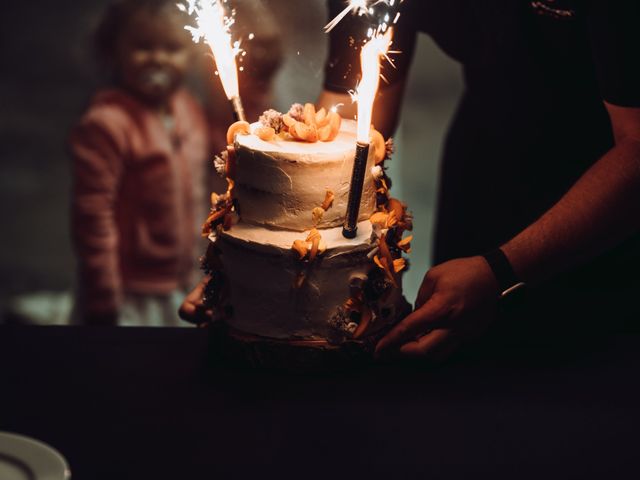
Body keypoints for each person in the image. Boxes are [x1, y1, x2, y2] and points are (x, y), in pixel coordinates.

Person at [318, 0, 640, 360]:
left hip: (606, 214)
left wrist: (502, 270)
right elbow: (356, 112)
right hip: (483, 166)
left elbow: (636, 146)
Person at [70, 0, 210, 326]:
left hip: (183, 279)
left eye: (172, 47)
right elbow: (92, 216)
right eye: (143, 46)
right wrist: (103, 295)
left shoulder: (188, 110)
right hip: (129, 292)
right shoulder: (106, 124)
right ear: (113, 50)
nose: (158, 58)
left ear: (191, 54)